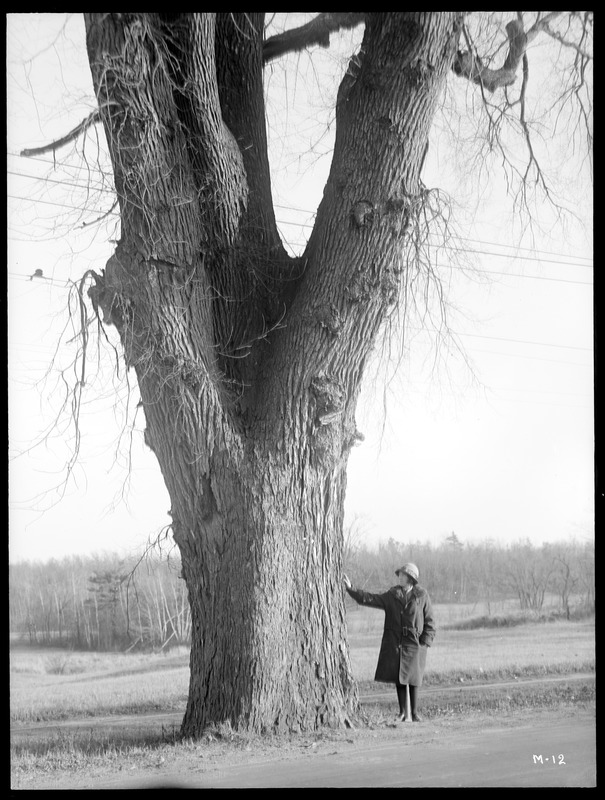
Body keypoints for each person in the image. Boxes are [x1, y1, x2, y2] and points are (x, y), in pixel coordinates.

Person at [343, 563, 436, 722]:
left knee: (414, 679)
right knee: (399, 678)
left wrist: (425, 643)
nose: (400, 577)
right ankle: (402, 713)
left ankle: (413, 713)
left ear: (411, 578)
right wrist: (351, 589)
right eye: (399, 574)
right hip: (396, 642)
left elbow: (430, 621)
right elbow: (371, 599)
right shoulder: (392, 595)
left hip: (415, 643)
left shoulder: (422, 596)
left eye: (403, 575)